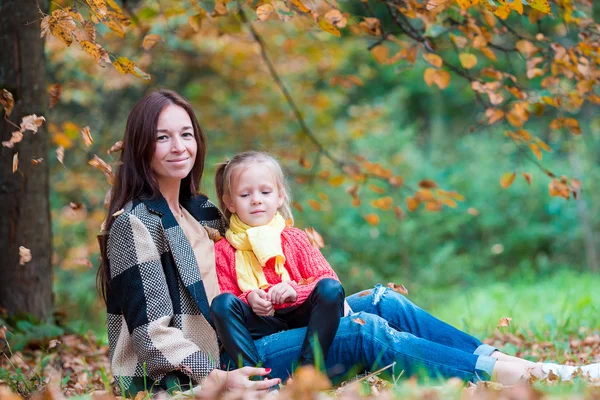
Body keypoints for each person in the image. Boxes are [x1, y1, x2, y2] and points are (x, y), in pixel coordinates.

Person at [98, 89, 599, 396]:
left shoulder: (205, 210)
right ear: (142, 144)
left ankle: (531, 368)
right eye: (163, 137)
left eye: (186, 133)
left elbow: (258, 258)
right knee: (365, 333)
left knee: (384, 300)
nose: (179, 146)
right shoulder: (133, 225)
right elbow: (151, 336)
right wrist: (219, 378)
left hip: (259, 325)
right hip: (223, 364)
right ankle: (526, 380)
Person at [210, 151, 345, 371]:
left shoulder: (295, 239)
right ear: (230, 203)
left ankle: (307, 373)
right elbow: (228, 295)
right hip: (261, 323)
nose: (256, 200)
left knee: (330, 288)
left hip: (302, 315)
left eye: (265, 192)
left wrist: (294, 291)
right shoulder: (224, 250)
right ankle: (257, 380)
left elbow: (329, 279)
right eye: (245, 195)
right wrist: (250, 298)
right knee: (221, 304)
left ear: (279, 196)